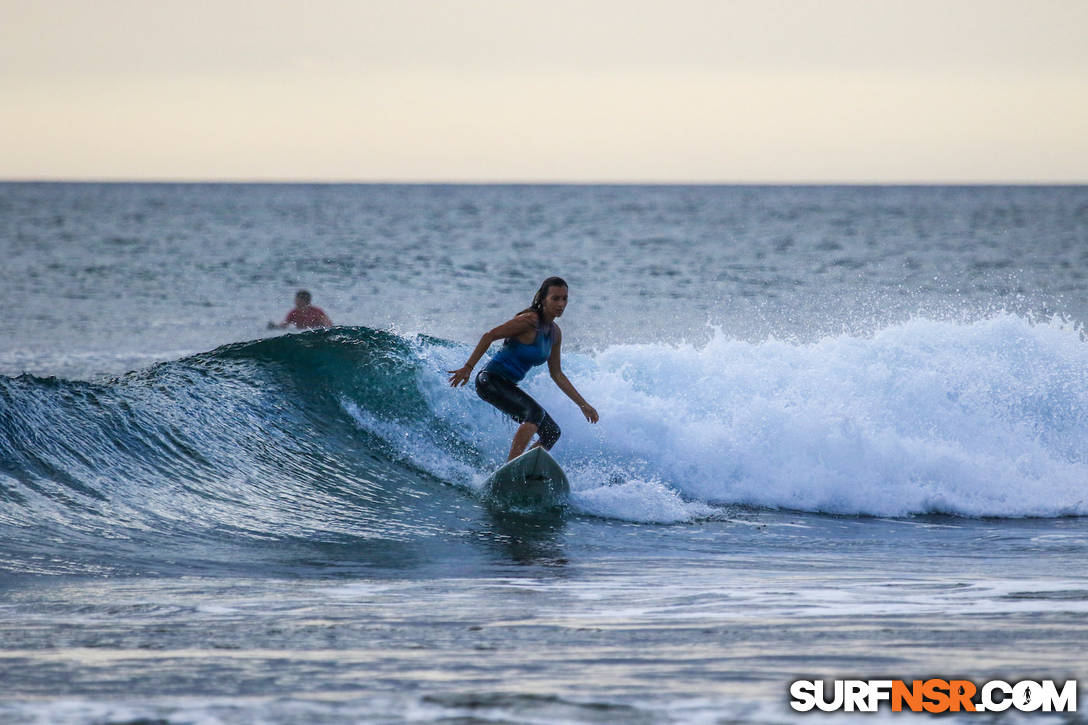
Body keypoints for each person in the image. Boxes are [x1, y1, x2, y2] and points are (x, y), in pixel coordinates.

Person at [448, 277, 599, 462]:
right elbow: (489, 336)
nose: (561, 304)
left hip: (508, 385)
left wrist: (583, 404)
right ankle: (511, 465)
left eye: (564, 299)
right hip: (490, 380)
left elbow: (557, 374)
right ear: (543, 299)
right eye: (555, 298)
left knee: (552, 433)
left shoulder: (555, 333)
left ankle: (524, 466)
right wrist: (468, 367)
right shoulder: (529, 321)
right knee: (534, 414)